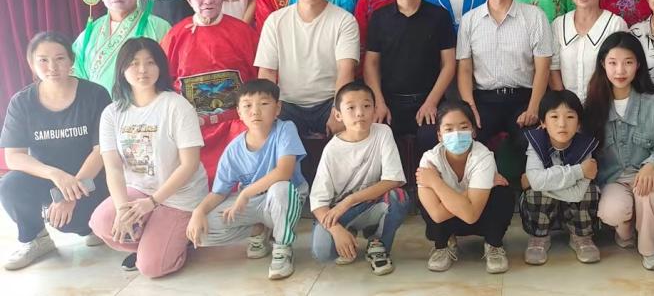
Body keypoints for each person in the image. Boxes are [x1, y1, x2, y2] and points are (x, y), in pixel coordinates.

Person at [88, 38, 208, 277]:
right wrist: (123, 209)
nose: (142, 70)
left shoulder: (177, 106)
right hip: (140, 190)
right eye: (134, 63)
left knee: (152, 268)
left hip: (179, 195)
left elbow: (190, 165)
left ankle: (173, 243)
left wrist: (152, 202)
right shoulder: (112, 113)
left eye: (150, 62)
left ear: (160, 67)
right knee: (102, 222)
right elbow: (113, 167)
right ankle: (153, 243)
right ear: (122, 69)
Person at [0, 32, 111, 270]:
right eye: (43, 60)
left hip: (92, 181)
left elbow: (102, 151)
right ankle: (36, 239)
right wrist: (56, 175)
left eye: (60, 58)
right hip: (52, 180)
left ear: (71, 60)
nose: (52, 67)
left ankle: (92, 226)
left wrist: (68, 196)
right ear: (31, 63)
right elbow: (14, 156)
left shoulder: (96, 94)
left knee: (70, 222)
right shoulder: (22, 101)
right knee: (10, 185)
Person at [185, 80, 307, 280]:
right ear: (239, 113)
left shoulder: (286, 129)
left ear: (277, 108)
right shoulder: (234, 149)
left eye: (264, 104)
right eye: (248, 105)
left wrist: (245, 193)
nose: (255, 111)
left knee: (281, 188)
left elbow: (284, 172)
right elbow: (219, 192)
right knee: (202, 228)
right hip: (252, 203)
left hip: (283, 200)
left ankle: (282, 248)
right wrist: (198, 212)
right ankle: (257, 231)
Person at [160, 0, 260, 180]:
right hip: (192, 133)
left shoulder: (243, 32)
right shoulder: (174, 36)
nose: (207, 0)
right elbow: (164, 87)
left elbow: (259, 80)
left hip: (239, 129)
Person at [583, 32, 654, 271]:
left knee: (647, 192)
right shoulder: (593, 106)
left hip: (648, 174)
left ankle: (649, 247)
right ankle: (625, 231)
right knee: (612, 211)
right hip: (613, 178)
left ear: (638, 65)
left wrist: (651, 165)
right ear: (603, 64)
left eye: (628, 62)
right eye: (613, 62)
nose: (620, 70)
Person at [457, 0, 553, 172]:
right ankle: (477, 190)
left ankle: (525, 190)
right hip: (484, 100)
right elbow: (464, 69)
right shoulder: (470, 20)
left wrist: (533, 108)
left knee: (533, 141)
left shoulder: (534, 17)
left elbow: (543, 68)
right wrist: (470, 108)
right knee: (465, 139)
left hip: (523, 98)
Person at [364, 0, 456, 168]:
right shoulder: (379, 18)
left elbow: (449, 64)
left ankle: (430, 186)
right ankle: (392, 188)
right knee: (379, 138)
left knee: (431, 138)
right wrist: (378, 102)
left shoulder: (439, 16)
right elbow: (371, 64)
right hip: (389, 102)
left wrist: (432, 102)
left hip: (429, 100)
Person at [255, 0, 359, 142]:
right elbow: (267, 72)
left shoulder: (344, 20)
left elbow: (346, 71)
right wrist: (268, 110)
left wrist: (338, 110)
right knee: (269, 137)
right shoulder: (275, 21)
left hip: (329, 101)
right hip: (287, 104)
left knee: (352, 127)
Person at [310, 82, 410, 275]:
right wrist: (336, 230)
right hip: (340, 211)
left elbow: (393, 180)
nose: (360, 113)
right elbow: (318, 202)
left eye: (366, 106)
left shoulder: (383, 132)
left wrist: (349, 200)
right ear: (338, 115)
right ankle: (348, 231)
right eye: (351, 107)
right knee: (323, 252)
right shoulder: (332, 150)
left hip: (369, 204)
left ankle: (377, 243)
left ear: (375, 109)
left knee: (399, 197)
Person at [416, 100, 515, 274]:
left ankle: (493, 245)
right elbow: (437, 215)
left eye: (463, 127)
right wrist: (473, 192)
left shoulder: (483, 156)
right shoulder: (430, 160)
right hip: (448, 221)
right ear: (439, 135)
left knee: (502, 192)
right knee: (426, 199)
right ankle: (443, 245)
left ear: (473, 131)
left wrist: (435, 182)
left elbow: (471, 215)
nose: (456, 134)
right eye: (448, 129)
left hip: (479, 217)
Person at [520, 90, 601, 265]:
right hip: (545, 210)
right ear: (543, 122)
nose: (562, 124)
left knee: (590, 191)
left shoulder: (585, 146)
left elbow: (577, 194)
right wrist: (579, 171)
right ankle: (539, 237)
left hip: (575, 208)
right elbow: (536, 182)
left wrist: (539, 182)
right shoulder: (536, 142)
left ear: (579, 123)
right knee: (534, 193)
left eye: (570, 117)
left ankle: (581, 236)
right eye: (554, 117)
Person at [73, 0, 171, 93]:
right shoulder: (89, 33)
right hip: (97, 103)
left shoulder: (159, 27)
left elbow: (169, 68)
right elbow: (76, 70)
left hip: (146, 101)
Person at [550, 0, 628, 102]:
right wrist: (566, 105)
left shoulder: (615, 24)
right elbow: (553, 68)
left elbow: (622, 70)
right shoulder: (559, 24)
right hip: (569, 109)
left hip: (605, 105)